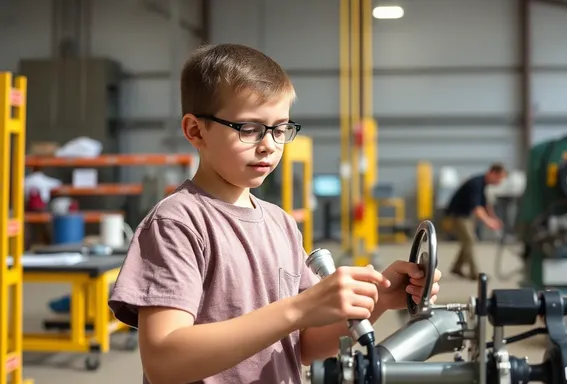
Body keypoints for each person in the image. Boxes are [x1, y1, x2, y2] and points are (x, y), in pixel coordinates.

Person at [107, 43, 442, 384]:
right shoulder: (178, 223)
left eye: (280, 129)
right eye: (249, 129)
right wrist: (300, 308)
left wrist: (379, 299)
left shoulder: (280, 223)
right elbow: (164, 362)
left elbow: (304, 344)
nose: (269, 144)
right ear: (196, 131)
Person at [445, 163, 507, 280]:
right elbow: (477, 208)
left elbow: (485, 205)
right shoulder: (476, 183)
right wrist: (488, 221)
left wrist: (493, 217)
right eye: (499, 178)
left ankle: (456, 268)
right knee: (470, 241)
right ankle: (475, 274)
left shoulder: (483, 184)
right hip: (458, 215)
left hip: (466, 215)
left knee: (467, 242)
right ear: (493, 173)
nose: (500, 182)